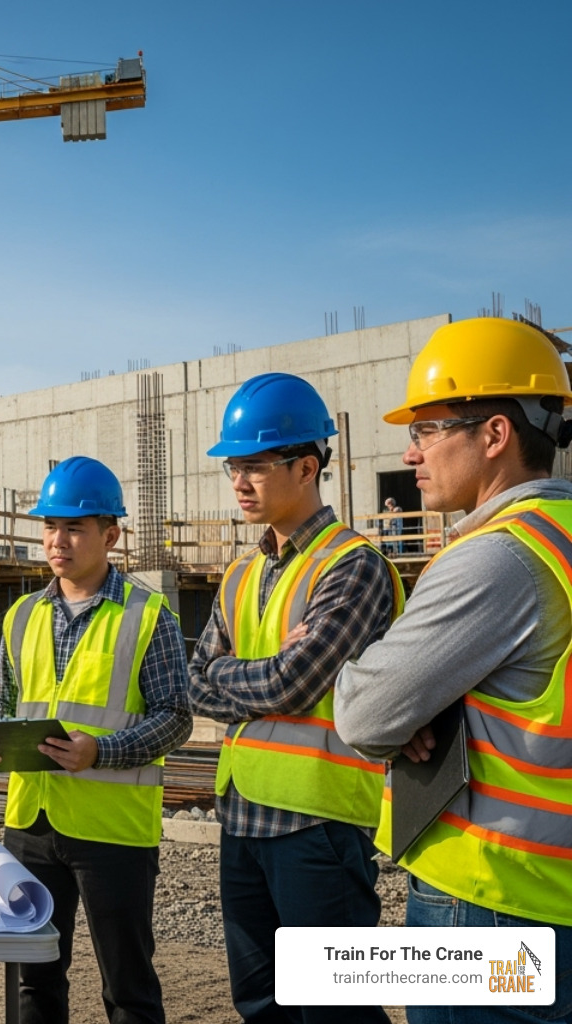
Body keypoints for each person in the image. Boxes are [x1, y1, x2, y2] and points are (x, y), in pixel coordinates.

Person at [334, 317, 572, 1024]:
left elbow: (364, 714)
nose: (410, 453)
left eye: (428, 429)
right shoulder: (559, 541)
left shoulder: (496, 557)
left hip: (491, 896)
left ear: (495, 434)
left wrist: (410, 700)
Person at [187, 372, 402, 1024]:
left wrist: (235, 673)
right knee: (260, 1006)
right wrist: (262, 672)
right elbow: (192, 681)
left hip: (318, 827)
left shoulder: (352, 565)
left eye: (254, 465)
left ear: (307, 466)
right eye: (233, 467)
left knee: (334, 1013)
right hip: (242, 819)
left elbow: (295, 683)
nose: (239, 481)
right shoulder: (240, 572)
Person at [0, 456, 192, 1024]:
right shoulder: (22, 615)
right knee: (34, 980)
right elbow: (1, 698)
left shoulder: (148, 615)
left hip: (113, 830)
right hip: (31, 824)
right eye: (49, 526)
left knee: (128, 985)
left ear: (110, 535)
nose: (57, 540)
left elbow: (176, 717)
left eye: (73, 527)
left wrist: (102, 750)